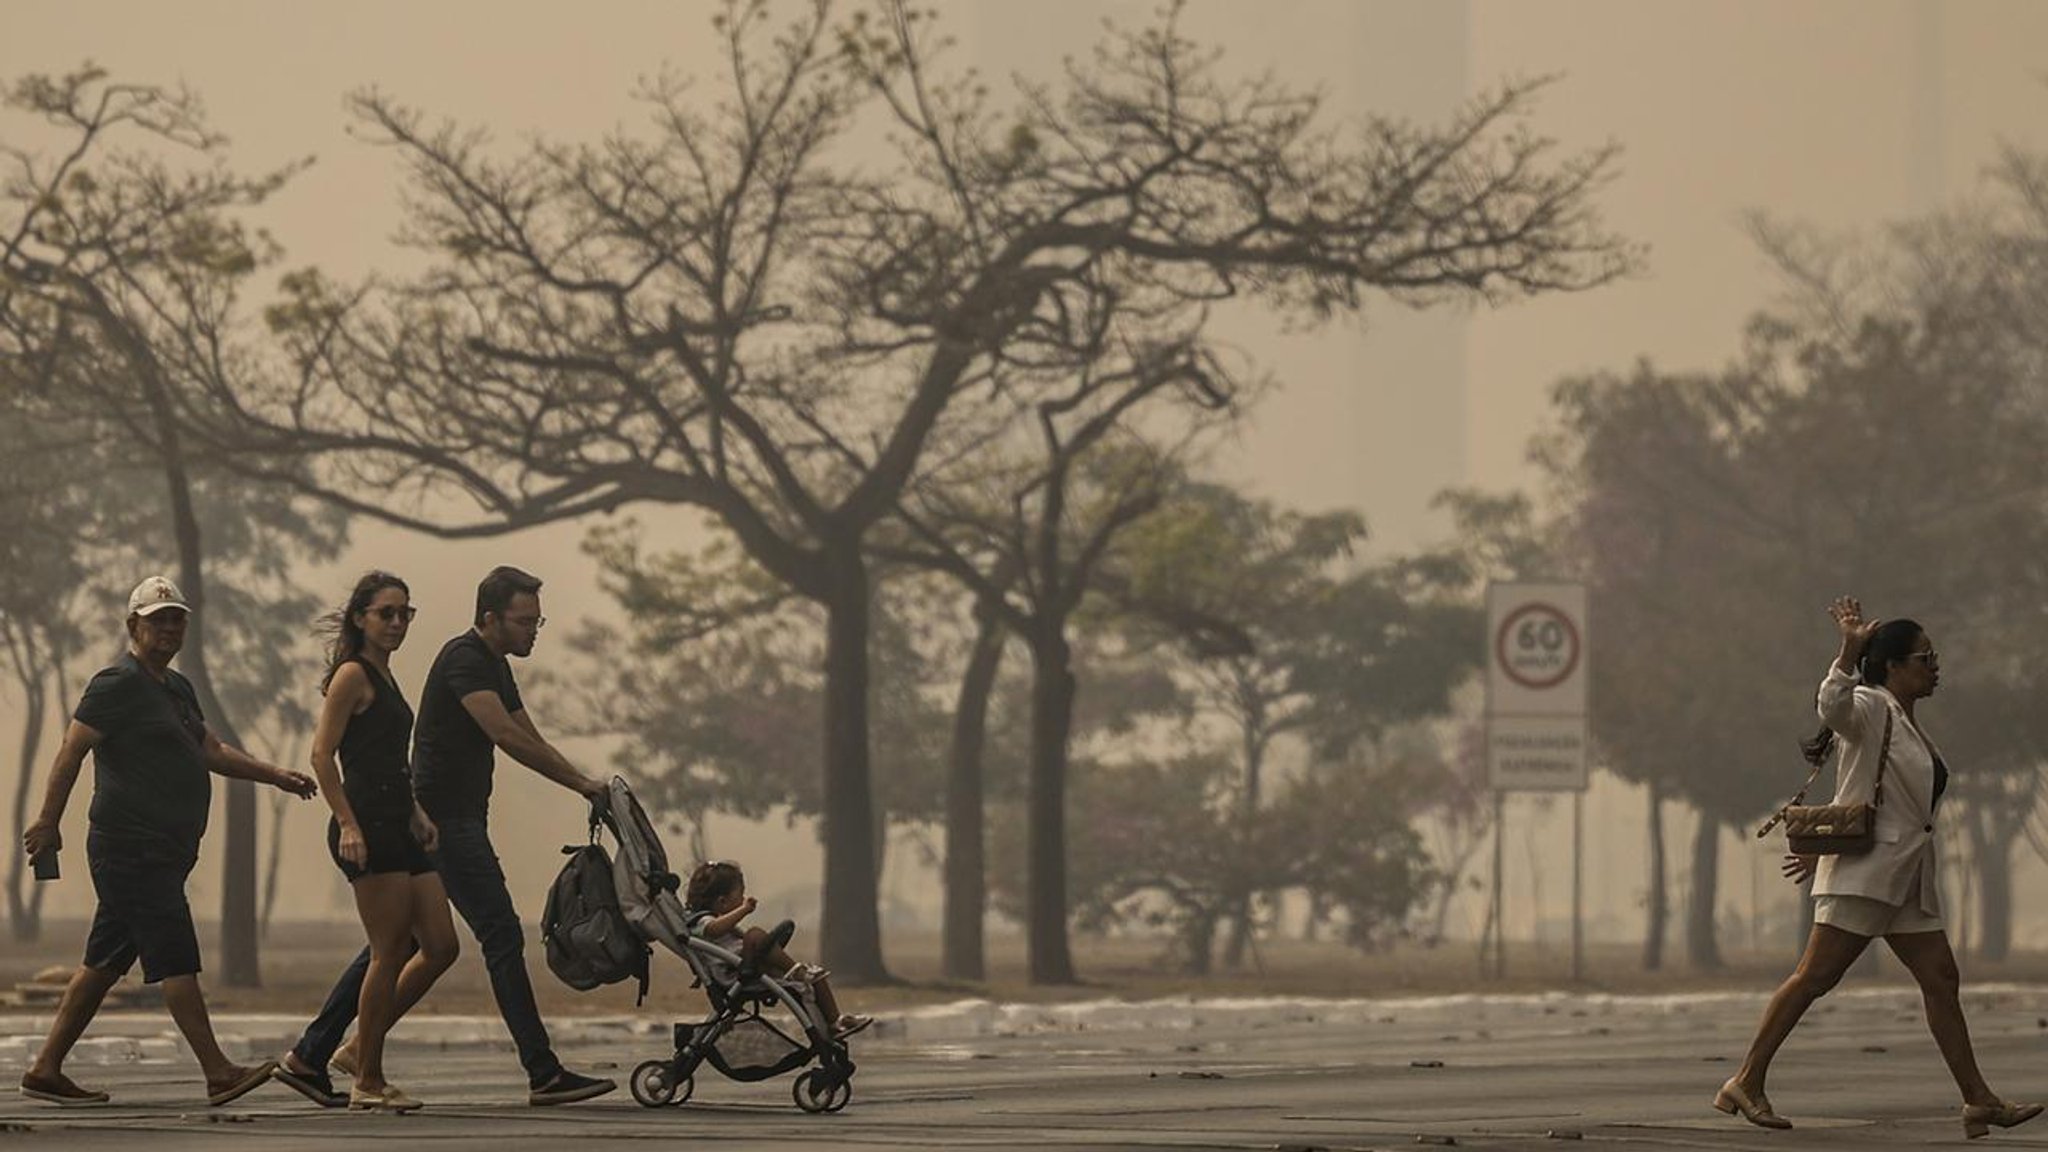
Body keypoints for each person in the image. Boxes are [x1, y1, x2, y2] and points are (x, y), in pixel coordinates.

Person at [283, 566, 615, 1106]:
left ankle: (320, 1053)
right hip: (442, 819)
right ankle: (542, 1070)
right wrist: (578, 782)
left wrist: (583, 781)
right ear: (490, 619)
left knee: (412, 945)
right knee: (497, 935)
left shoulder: (492, 666)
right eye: (524, 620)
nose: (534, 630)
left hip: (425, 816)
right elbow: (504, 736)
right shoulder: (463, 660)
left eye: (538, 621)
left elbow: (525, 730)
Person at [1715, 595, 2042, 1139]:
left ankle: (1978, 1100)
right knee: (1814, 977)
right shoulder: (1868, 707)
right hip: (1867, 874)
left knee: (1942, 979)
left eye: (1933, 656)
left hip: (1906, 878)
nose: (1934, 666)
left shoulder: (1908, 724)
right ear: (1892, 667)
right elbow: (1831, 706)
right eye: (1923, 657)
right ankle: (1745, 1080)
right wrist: (1846, 652)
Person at [17, 576, 318, 1107]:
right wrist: (48, 822)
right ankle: (218, 1071)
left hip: (165, 848)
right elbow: (70, 753)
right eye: (157, 619)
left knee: (103, 964)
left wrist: (276, 775)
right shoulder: (115, 684)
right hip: (131, 846)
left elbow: (212, 750)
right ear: (134, 625)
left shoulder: (176, 689)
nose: (169, 628)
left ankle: (45, 1069)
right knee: (176, 956)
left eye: (176, 618)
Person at [273, 573, 459, 1112]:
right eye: (386, 613)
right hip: (367, 826)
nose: (397, 623)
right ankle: (369, 1080)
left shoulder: (386, 673)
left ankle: (354, 1052)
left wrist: (417, 812)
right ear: (360, 618)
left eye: (405, 613)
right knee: (388, 951)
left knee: (441, 945)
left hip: (399, 822)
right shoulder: (352, 674)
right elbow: (321, 756)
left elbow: (387, 757)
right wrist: (348, 824)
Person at [684, 860, 871, 1039]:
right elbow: (714, 929)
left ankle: (835, 1022)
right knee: (755, 934)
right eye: (740, 895)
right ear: (723, 902)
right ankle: (795, 970)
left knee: (817, 976)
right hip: (735, 973)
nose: (742, 899)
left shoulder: (721, 922)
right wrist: (744, 910)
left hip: (749, 965)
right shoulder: (702, 922)